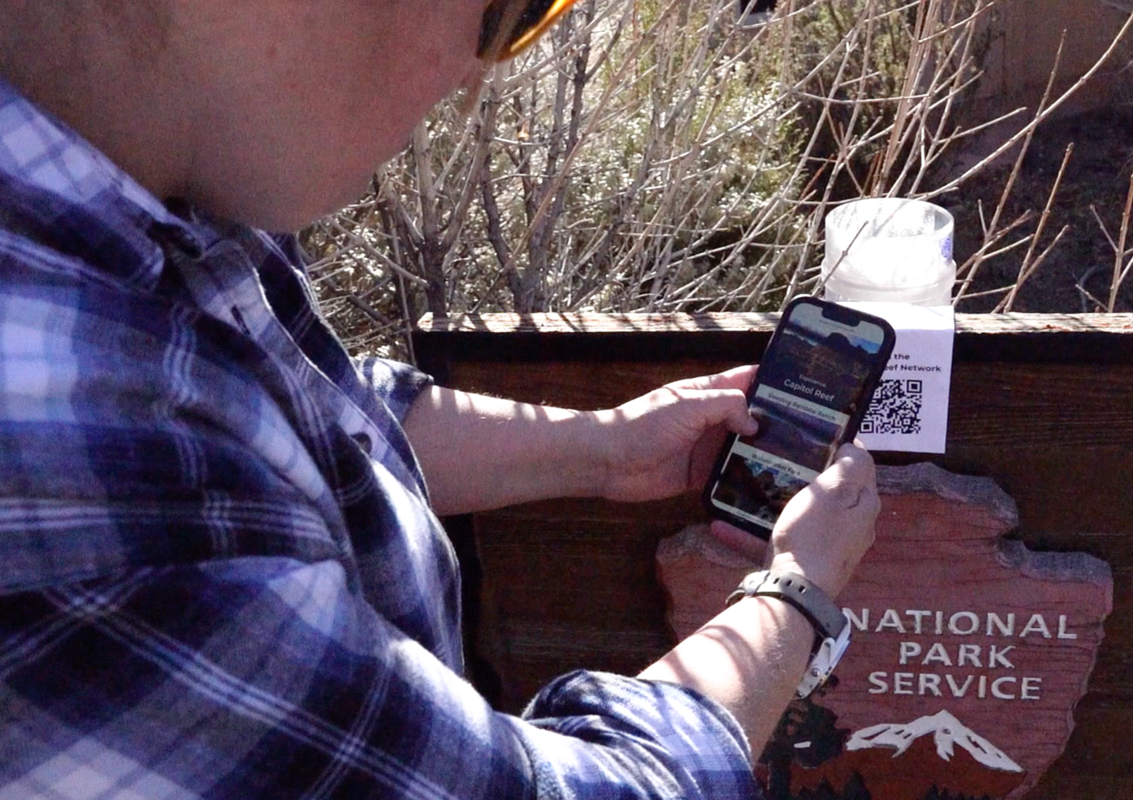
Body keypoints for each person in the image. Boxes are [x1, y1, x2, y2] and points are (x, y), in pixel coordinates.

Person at [0, 1, 881, 797]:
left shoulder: (141, 191)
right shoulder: (80, 478)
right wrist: (796, 596)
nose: (482, 67)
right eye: (509, 11)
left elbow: (326, 415)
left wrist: (604, 445)